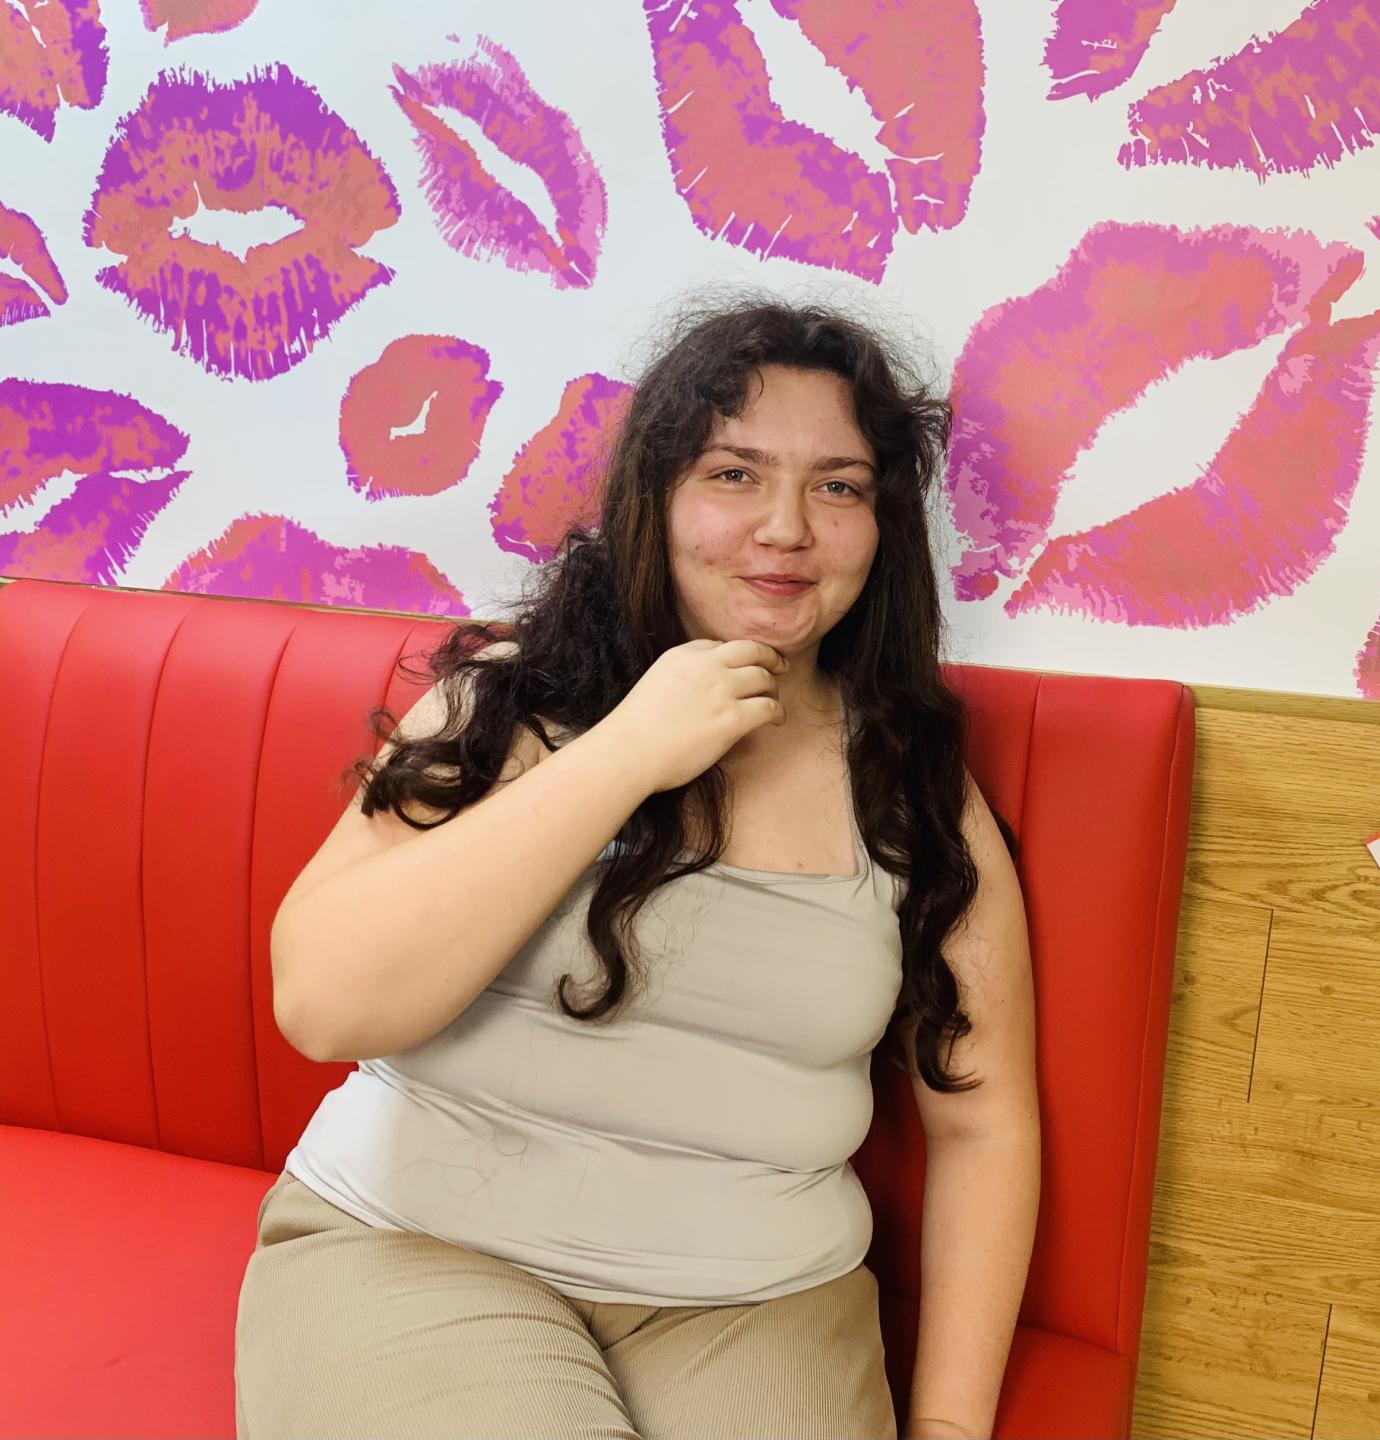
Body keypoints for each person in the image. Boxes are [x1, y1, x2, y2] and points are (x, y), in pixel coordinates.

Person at [234, 289, 1038, 1440]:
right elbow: (324, 1004)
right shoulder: (505, 701)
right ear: (651, 499)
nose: (785, 529)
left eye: (838, 487)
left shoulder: (910, 783)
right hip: (415, 1243)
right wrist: (625, 753)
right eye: (733, 474)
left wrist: (948, 1433)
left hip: (764, 1301)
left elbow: (980, 1123)